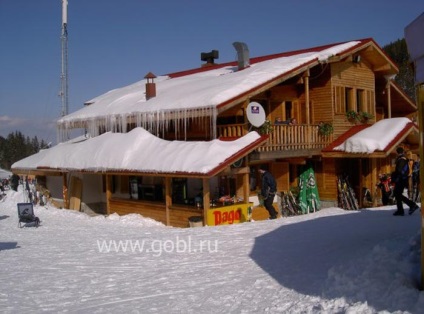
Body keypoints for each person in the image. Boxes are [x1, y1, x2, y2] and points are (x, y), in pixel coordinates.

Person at [391, 147, 419, 216]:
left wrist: (394, 175)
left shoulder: (401, 160)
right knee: (397, 194)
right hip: (403, 179)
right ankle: (403, 209)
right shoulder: (404, 159)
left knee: (397, 194)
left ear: (397, 152)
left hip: (401, 180)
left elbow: (399, 171)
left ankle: (410, 206)